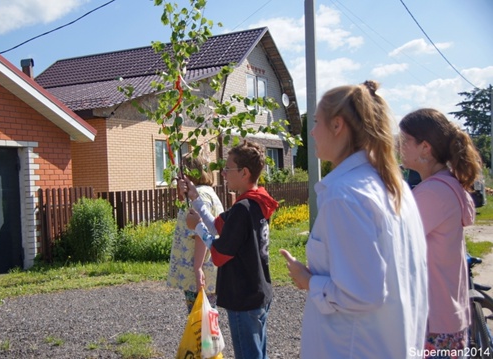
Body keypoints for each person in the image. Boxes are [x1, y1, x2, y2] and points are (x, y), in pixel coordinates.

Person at [279, 80, 429, 358]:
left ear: (337, 125)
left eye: (316, 122)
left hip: (354, 347)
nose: (311, 132)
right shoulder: (392, 187)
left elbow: (363, 293)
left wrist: (308, 281)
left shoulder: (345, 194)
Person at [181, 140, 278, 359]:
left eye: (228, 168)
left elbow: (218, 254)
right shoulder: (255, 202)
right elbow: (217, 225)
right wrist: (196, 200)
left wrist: (196, 227)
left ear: (244, 173)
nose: (223, 173)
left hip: (243, 297)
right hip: (258, 292)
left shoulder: (242, 209)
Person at [399, 108, 482, 357]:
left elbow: (394, 244)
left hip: (433, 320)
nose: (399, 147)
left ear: (425, 147)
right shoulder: (446, 185)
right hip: (447, 314)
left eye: (405, 141)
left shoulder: (432, 194)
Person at [167, 154, 224, 313]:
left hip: (199, 270)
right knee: (206, 318)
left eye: (181, 172)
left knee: (200, 320)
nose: (178, 176)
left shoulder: (201, 196)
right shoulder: (206, 192)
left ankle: (204, 340)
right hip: (207, 268)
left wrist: (198, 268)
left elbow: (201, 233)